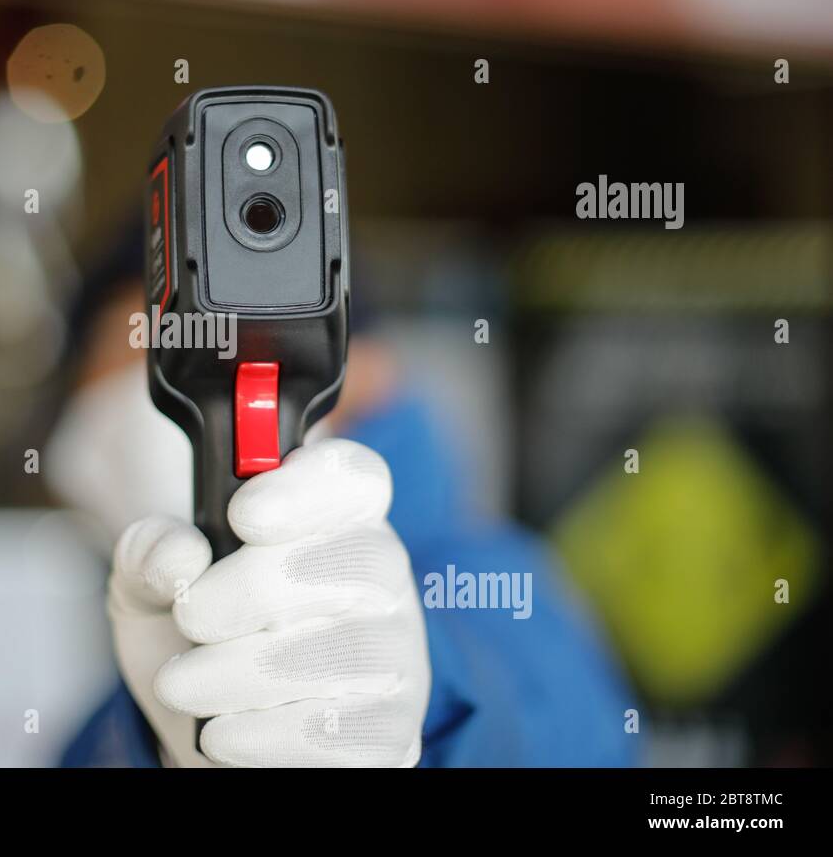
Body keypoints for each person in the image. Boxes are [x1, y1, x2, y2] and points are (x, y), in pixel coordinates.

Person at [45, 259, 635, 768]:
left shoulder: (489, 579)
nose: (146, 418)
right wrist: (149, 745)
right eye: (112, 381)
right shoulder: (123, 682)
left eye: (165, 356)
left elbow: (561, 721)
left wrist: (426, 705)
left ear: (362, 369)